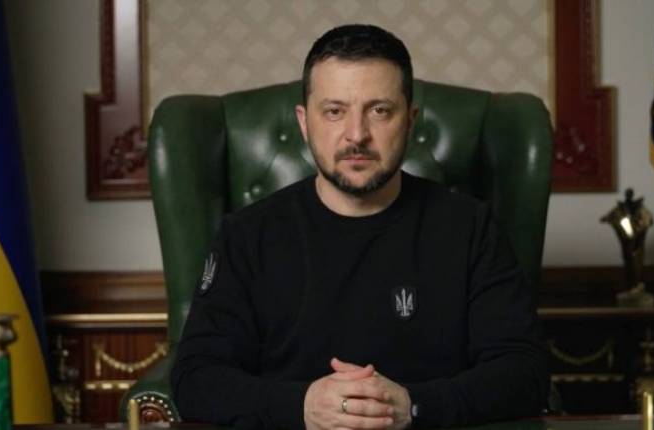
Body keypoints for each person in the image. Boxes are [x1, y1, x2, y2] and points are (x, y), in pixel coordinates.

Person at [171, 24, 549, 430]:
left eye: (379, 110)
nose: (357, 135)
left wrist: (412, 406)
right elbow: (195, 378)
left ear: (410, 120)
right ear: (304, 122)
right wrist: (302, 406)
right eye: (334, 111)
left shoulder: (470, 227)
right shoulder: (246, 235)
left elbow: (524, 372)